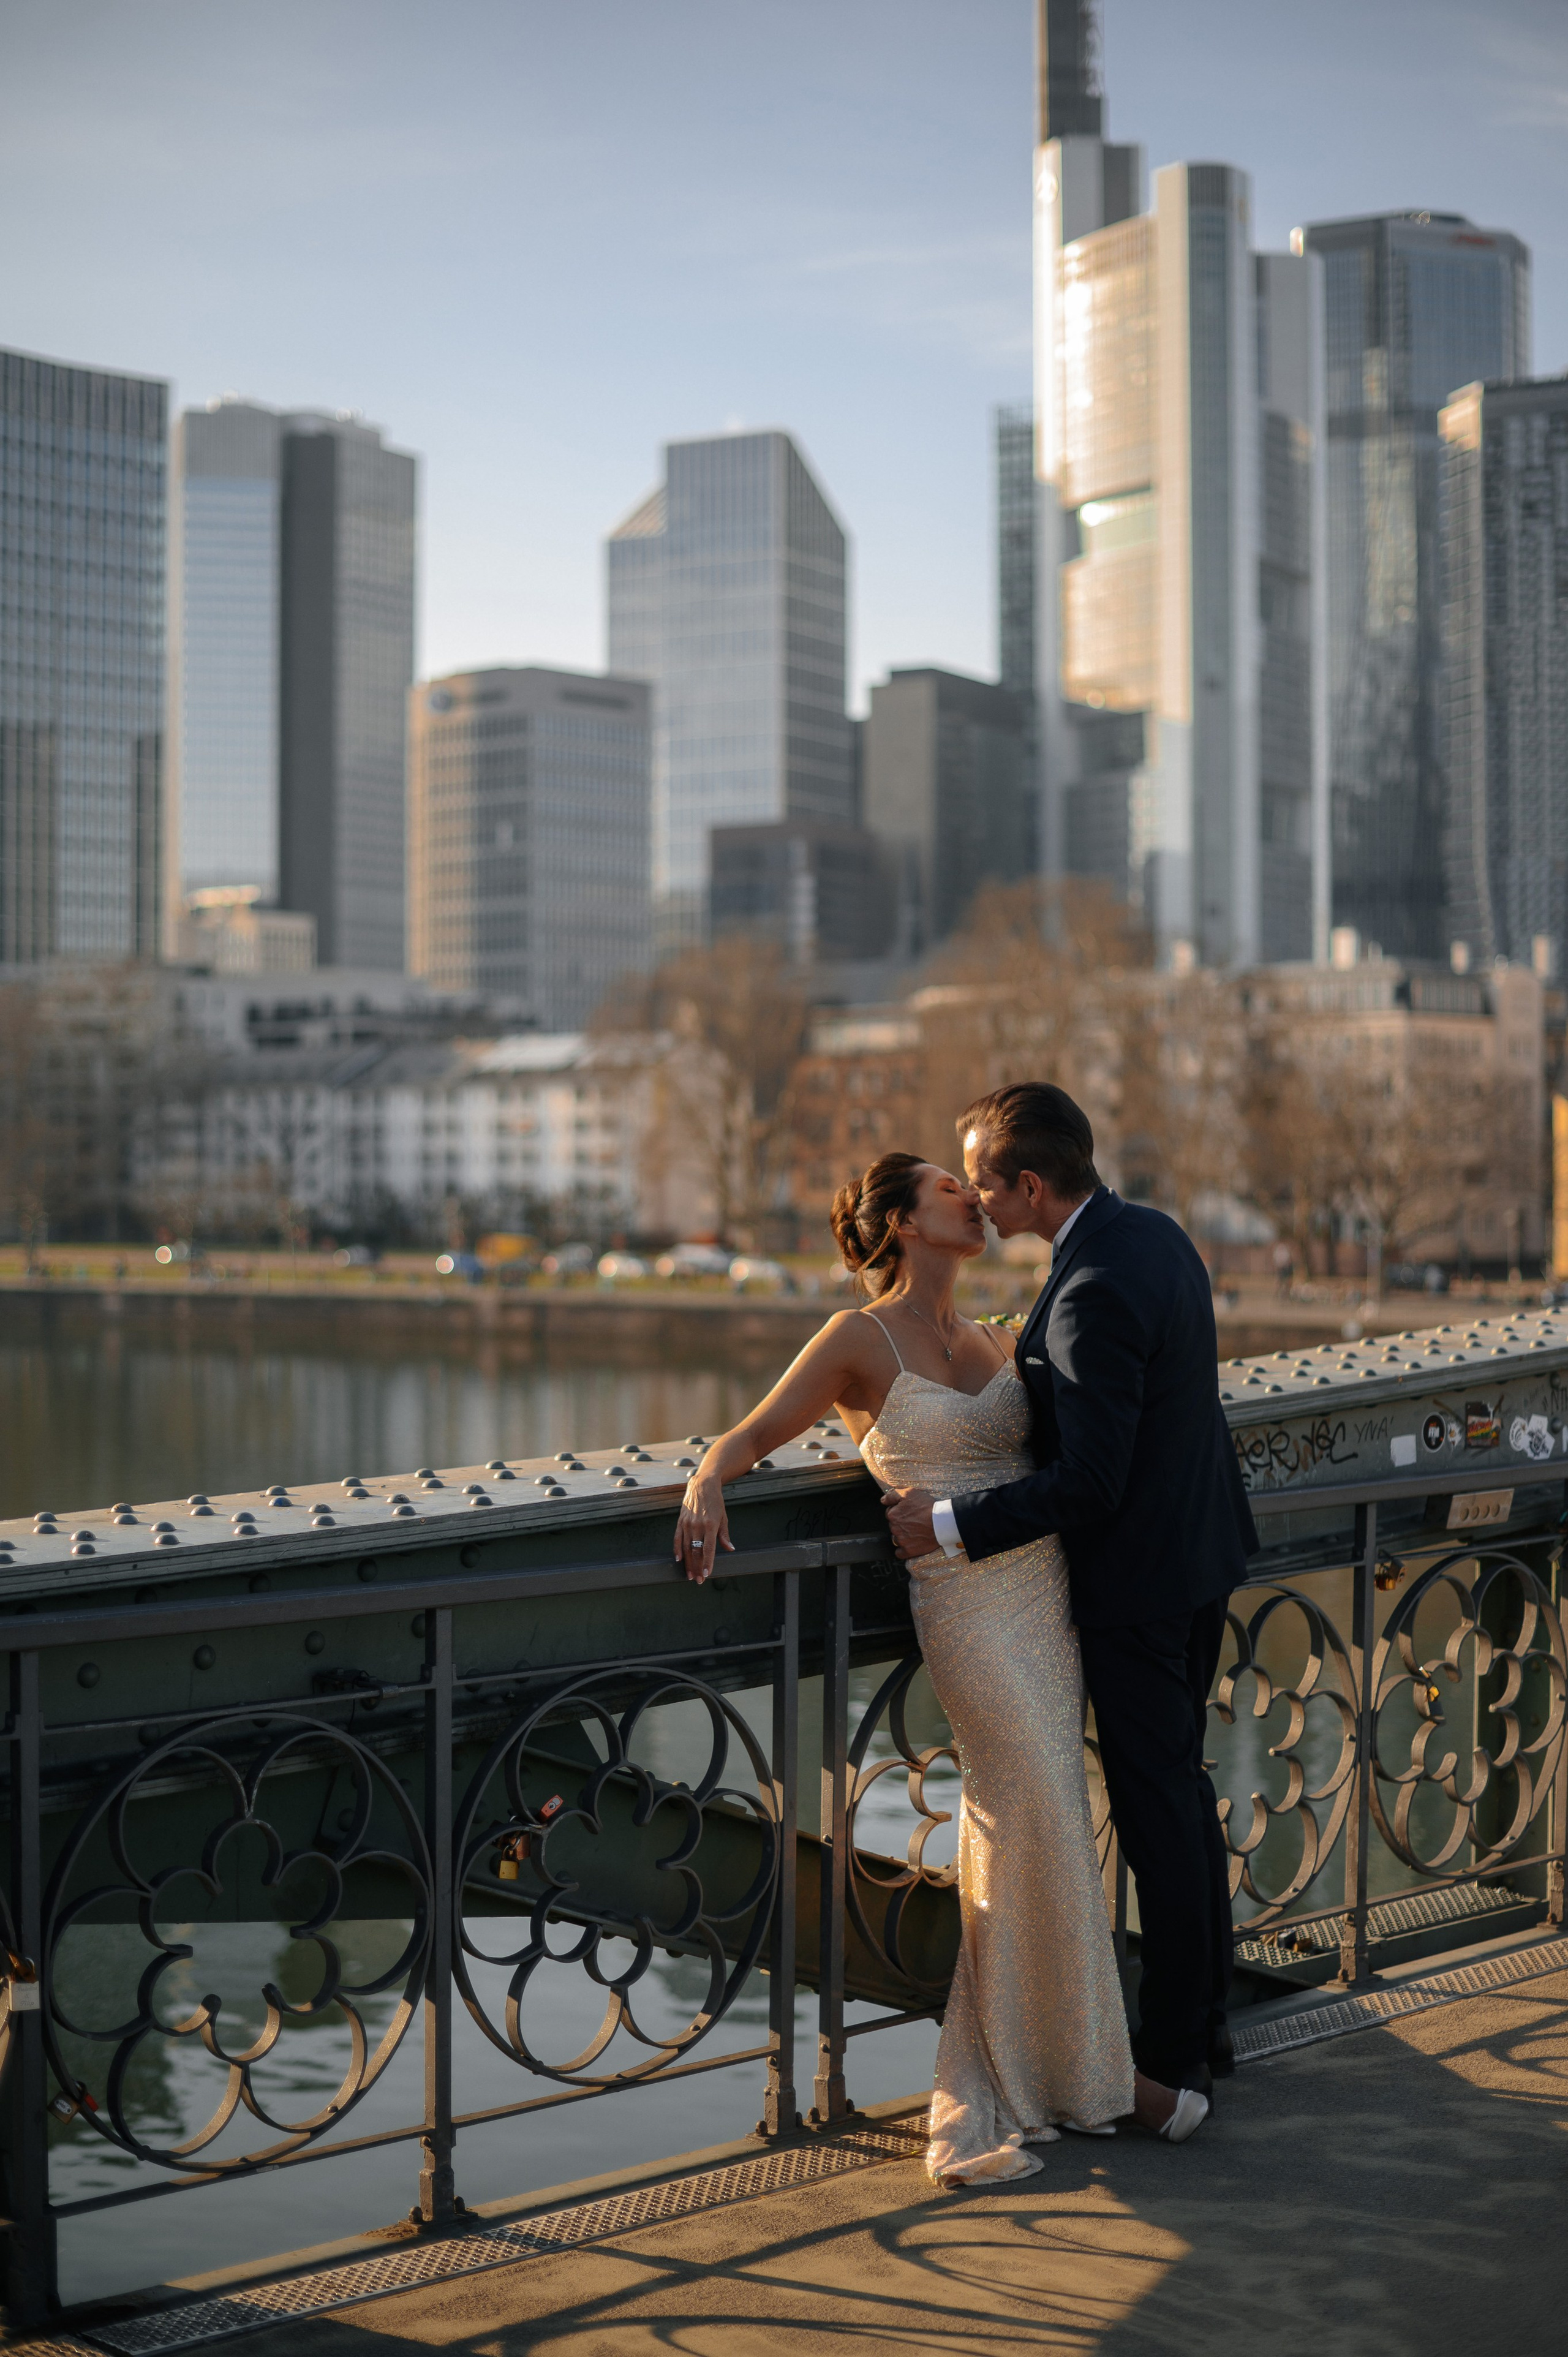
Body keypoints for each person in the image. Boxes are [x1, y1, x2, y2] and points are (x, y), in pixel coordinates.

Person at [674, 1152, 1202, 2184]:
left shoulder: (1002, 1332)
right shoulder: (855, 1340)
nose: (974, 1196)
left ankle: (1051, 2073)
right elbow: (752, 1433)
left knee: (1038, 1823)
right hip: (965, 1611)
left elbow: (1081, 1450)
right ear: (906, 1224)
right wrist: (705, 1481)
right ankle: (1085, 2083)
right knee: (1037, 1811)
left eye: (974, 1186)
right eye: (949, 1188)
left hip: (1045, 1597)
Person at [882, 1083, 1258, 2121]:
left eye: (987, 1186)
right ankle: (1210, 2027)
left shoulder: (1089, 1288)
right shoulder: (1155, 1236)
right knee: (1179, 1796)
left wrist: (948, 1524)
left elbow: (1092, 1482)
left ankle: (1176, 2057)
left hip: (1136, 1583)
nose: (978, 1202)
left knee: (1155, 1814)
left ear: (1032, 1186)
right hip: (1200, 1554)